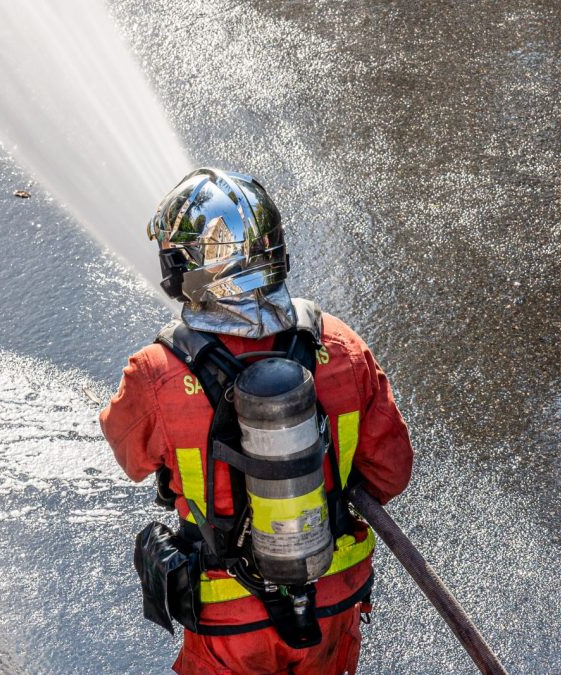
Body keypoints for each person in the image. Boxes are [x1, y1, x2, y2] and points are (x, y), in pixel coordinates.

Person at [100, 168, 413, 674]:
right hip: (331, 603)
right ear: (276, 254)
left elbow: (131, 459)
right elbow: (391, 474)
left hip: (228, 621)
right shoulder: (340, 346)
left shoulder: (155, 372)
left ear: (183, 269)